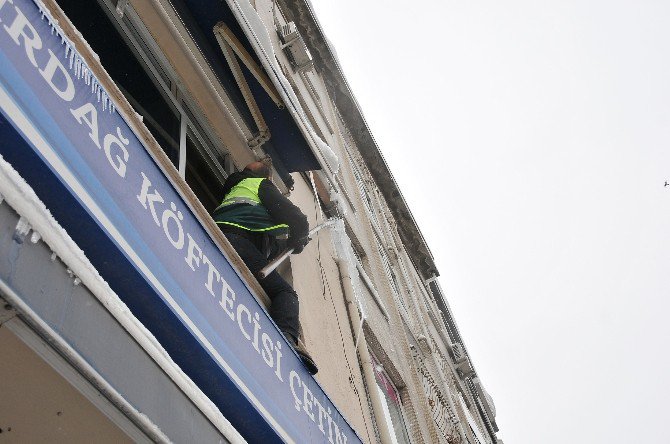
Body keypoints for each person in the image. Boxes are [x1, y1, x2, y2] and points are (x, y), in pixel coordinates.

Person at [213, 160, 318, 374]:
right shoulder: (258, 184)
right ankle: (286, 342)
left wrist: (289, 243)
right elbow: (297, 218)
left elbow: (263, 234)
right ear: (267, 177)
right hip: (237, 241)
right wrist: (300, 237)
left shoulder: (234, 189)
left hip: (219, 236)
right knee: (284, 292)